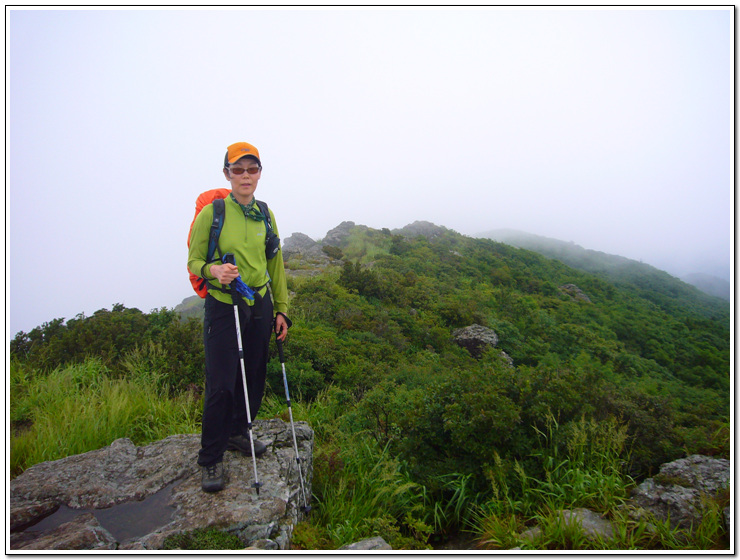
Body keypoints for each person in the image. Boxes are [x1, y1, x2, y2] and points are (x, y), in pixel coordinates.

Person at [187, 141, 290, 493]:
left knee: (255, 374)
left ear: (259, 173)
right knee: (221, 382)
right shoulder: (212, 214)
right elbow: (193, 261)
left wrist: (282, 309)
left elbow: (274, 262)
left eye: (252, 169)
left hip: (259, 302)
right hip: (224, 302)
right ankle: (210, 458)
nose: (246, 176)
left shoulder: (265, 212)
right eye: (238, 169)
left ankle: (238, 432)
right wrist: (213, 270)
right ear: (227, 173)